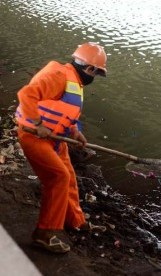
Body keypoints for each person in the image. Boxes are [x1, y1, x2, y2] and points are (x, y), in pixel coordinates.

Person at [15, 42, 108, 254]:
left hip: (57, 138)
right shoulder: (59, 75)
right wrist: (38, 125)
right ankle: (44, 234)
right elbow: (26, 94)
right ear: (90, 69)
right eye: (97, 73)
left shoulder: (72, 79)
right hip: (34, 136)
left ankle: (75, 221)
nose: (95, 78)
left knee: (70, 178)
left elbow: (64, 108)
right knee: (58, 178)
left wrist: (75, 131)